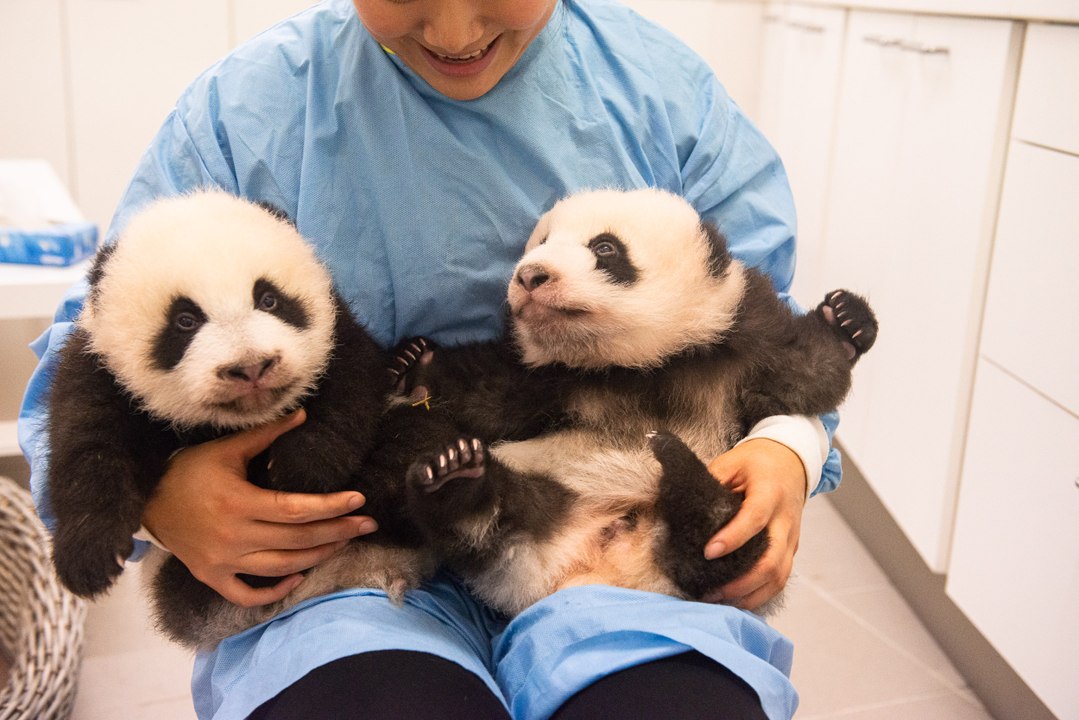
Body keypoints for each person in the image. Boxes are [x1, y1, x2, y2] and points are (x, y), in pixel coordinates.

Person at [20, 0, 843, 718]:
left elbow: (767, 327)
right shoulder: (244, 114)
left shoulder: (666, 98)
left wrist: (786, 448)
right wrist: (160, 500)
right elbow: (99, 343)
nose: (454, 28)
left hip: (624, 548)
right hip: (338, 570)